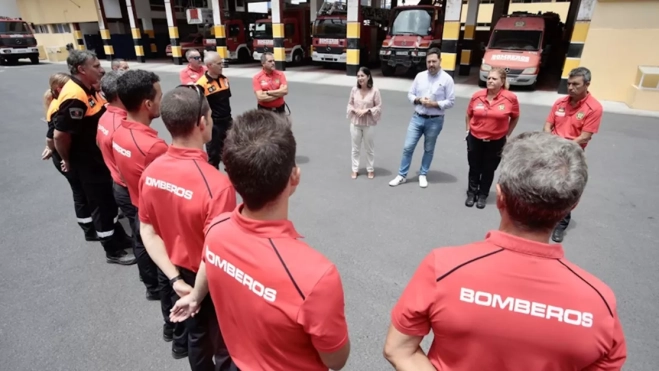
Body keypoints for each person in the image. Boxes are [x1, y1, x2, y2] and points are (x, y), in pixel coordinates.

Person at [384, 132, 626, 371]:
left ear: (500, 197)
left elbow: (399, 350)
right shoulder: (599, 301)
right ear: (572, 205)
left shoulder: (444, 268)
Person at [170, 110, 351, 371]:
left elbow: (210, 262)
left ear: (230, 179)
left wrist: (196, 296)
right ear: (294, 177)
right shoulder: (316, 276)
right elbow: (336, 360)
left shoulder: (216, 231)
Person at [139, 85, 238, 370]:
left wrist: (174, 280)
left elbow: (148, 230)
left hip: (176, 273)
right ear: (202, 123)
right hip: (207, 280)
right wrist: (196, 294)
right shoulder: (216, 186)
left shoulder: (151, 172)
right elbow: (214, 252)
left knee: (197, 339)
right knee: (224, 343)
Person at [112, 69, 186, 353]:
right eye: (159, 95)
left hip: (136, 204)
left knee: (154, 266)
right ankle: (176, 333)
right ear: (147, 104)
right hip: (159, 219)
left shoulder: (120, 129)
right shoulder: (154, 147)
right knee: (171, 277)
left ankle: (168, 324)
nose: (162, 100)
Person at [53, 49, 134, 265]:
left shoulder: (88, 89)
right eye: (96, 66)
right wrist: (68, 160)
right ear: (81, 69)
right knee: (101, 204)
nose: (101, 69)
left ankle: (119, 237)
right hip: (86, 163)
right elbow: (60, 135)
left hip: (96, 159)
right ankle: (112, 250)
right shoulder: (75, 95)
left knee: (108, 201)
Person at [544, 67, 603, 243]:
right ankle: (545, 219)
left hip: (572, 154)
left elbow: (585, 135)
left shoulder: (594, 108)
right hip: (552, 151)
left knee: (566, 190)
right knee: (547, 186)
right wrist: (549, 141)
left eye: (575, 84)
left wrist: (562, 145)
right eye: (569, 84)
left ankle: (560, 225)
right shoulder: (560, 103)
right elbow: (548, 125)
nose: (570, 87)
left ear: (587, 84)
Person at [42, 72, 98, 242]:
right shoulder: (60, 106)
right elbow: (53, 135)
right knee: (81, 193)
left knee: (81, 192)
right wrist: (50, 148)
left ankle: (91, 225)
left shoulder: (60, 102)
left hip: (67, 156)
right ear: (59, 89)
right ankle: (89, 229)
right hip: (66, 158)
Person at [389, 48, 455, 188]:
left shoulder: (447, 79)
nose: (431, 64)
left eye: (434, 61)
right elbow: (410, 94)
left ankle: (423, 174)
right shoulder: (420, 76)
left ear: (440, 61)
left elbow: (451, 101)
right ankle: (402, 175)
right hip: (417, 118)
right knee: (408, 147)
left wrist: (435, 104)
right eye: (428, 61)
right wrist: (418, 100)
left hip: (435, 120)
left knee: (429, 149)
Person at [465, 67, 520, 209]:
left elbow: (515, 117)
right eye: (489, 78)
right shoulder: (477, 96)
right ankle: (472, 193)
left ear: (502, 82)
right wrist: (468, 130)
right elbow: (468, 114)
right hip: (475, 138)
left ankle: (483, 195)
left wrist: (507, 133)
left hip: (496, 141)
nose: (490, 81)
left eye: (494, 78)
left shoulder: (510, 98)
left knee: (489, 169)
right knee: (474, 167)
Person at [195, 51, 233, 169]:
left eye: (222, 63)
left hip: (228, 121)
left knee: (232, 152)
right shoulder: (201, 84)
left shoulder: (225, 80)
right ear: (210, 65)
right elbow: (199, 107)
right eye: (219, 63)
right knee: (214, 155)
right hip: (213, 125)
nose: (222, 66)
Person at [347, 67, 382, 179]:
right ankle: (355, 169)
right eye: (358, 76)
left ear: (368, 77)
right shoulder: (354, 90)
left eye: (362, 76)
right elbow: (350, 104)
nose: (360, 78)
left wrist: (367, 110)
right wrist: (354, 110)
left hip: (368, 124)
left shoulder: (375, 91)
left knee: (369, 148)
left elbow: (379, 107)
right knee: (355, 148)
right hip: (355, 123)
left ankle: (370, 169)